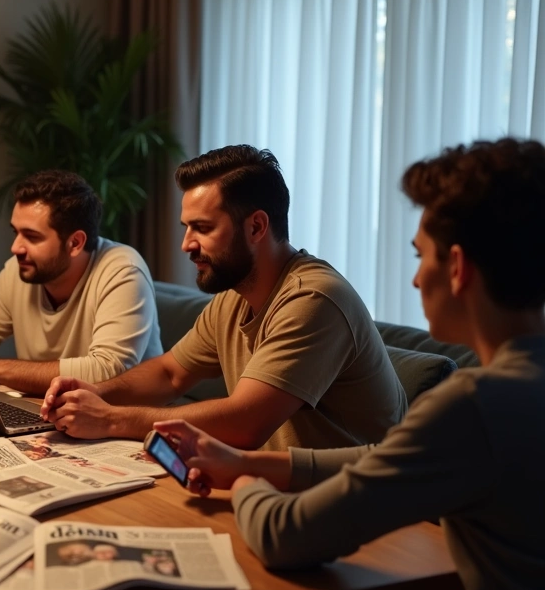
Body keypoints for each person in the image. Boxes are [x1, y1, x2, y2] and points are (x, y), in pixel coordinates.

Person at [154, 139, 545, 590]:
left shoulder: (475, 406)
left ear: (459, 268)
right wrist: (246, 461)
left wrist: (246, 478)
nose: (416, 282)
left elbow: (285, 537)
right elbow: (376, 460)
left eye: (419, 256)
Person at [42, 146, 406, 450]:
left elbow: (244, 423)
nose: (186, 244)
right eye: (186, 227)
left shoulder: (313, 300)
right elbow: (170, 374)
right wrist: (95, 393)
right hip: (278, 486)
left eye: (202, 228)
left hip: (363, 509)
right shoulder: (234, 295)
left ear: (256, 227)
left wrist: (109, 418)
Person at [0, 170, 163, 395]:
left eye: (32, 237)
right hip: (47, 409)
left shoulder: (123, 270)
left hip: (127, 420)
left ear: (75, 243)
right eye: (16, 233)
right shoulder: (19, 269)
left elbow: (108, 369)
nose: (16, 248)